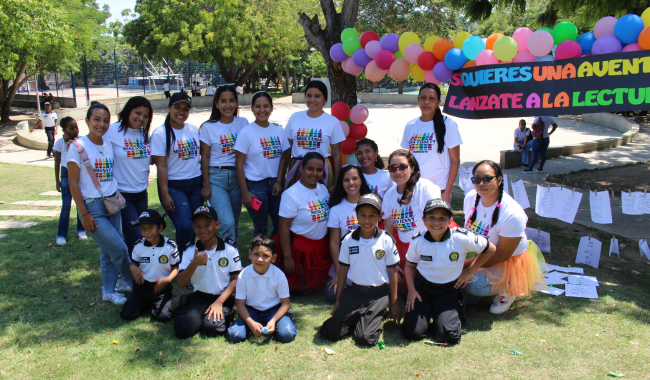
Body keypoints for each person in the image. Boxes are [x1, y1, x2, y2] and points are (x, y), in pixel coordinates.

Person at [401, 198, 496, 344]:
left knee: (448, 336)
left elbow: (490, 249)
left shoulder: (461, 238)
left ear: (450, 220)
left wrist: (469, 271)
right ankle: (430, 314)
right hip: (422, 289)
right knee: (412, 332)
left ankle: (448, 313)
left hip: (447, 290)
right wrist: (412, 290)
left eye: (442, 218)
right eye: (431, 217)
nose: (436, 222)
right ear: (424, 220)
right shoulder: (418, 241)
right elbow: (409, 265)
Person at [67, 103, 134, 305]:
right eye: (96, 119)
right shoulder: (77, 147)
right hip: (92, 207)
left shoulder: (108, 144)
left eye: (106, 120)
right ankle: (135, 282)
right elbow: (72, 183)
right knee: (119, 248)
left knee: (107, 250)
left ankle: (109, 290)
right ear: (87, 121)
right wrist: (84, 214)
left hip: (112, 203)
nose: (101, 124)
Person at [462, 160, 547, 314]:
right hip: (479, 252)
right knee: (461, 288)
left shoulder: (513, 214)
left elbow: (501, 255)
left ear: (500, 180)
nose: (481, 183)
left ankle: (510, 287)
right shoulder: (471, 197)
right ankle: (481, 286)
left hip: (506, 261)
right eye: (476, 179)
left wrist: (465, 266)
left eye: (487, 179)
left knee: (472, 285)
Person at [320, 193, 401, 346]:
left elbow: (392, 272)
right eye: (362, 215)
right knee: (330, 331)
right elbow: (343, 270)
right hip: (355, 292)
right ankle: (358, 316)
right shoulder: (349, 240)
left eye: (372, 216)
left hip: (378, 294)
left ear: (380, 216)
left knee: (365, 338)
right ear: (356, 214)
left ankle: (377, 313)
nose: (367, 220)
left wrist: (394, 303)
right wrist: (338, 301)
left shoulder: (386, 240)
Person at [174, 206, 241, 338]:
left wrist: (219, 302)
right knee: (183, 331)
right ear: (194, 228)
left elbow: (236, 280)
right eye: (198, 226)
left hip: (222, 296)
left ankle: (226, 311)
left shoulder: (229, 250)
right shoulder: (190, 251)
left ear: (217, 225)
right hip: (199, 296)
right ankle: (186, 304)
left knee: (213, 329)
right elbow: (180, 283)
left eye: (207, 225)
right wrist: (194, 263)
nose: (203, 229)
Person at [151, 92, 203, 253]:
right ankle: (182, 264)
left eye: (186, 108)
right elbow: (161, 167)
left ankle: (190, 259)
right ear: (169, 108)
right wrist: (165, 194)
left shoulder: (193, 129)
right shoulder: (160, 133)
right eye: (177, 107)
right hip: (175, 186)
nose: (181, 111)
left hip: (196, 184)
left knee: (197, 226)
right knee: (185, 226)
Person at [381, 149, 441, 288]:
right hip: (404, 248)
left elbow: (437, 225)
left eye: (403, 167)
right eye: (392, 168)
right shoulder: (389, 195)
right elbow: (388, 231)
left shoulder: (424, 187)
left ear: (412, 168)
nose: (397, 172)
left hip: (430, 244)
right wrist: (391, 259)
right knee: (404, 290)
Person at [235, 91, 290, 238]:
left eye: (266, 106)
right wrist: (245, 192)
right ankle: (259, 259)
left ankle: (271, 253)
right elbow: (239, 164)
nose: (262, 110)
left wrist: (280, 181)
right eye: (258, 106)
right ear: (252, 109)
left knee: (281, 223)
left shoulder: (279, 131)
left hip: (275, 184)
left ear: (271, 108)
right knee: (261, 227)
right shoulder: (246, 133)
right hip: (255, 185)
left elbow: (284, 158)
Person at [276, 152, 331, 294]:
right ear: (302, 168)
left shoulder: (323, 188)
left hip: (321, 245)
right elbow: (283, 227)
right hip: (301, 249)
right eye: (310, 169)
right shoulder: (291, 194)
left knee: (319, 286)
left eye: (319, 170)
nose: (314, 173)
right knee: (299, 289)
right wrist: (288, 257)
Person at [105, 96, 154, 255]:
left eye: (145, 116)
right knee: (135, 235)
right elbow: (93, 143)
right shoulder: (112, 131)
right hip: (123, 194)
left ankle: (135, 271)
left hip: (142, 193)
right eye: (137, 113)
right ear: (128, 111)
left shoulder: (144, 134)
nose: (141, 118)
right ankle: (130, 275)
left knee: (141, 235)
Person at [200, 84, 248, 242]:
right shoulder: (208, 127)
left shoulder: (243, 122)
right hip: (216, 178)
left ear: (236, 102)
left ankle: (230, 258)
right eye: (223, 101)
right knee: (227, 222)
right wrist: (206, 184)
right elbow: (205, 157)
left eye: (232, 101)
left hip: (237, 177)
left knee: (233, 223)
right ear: (216, 104)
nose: (228, 105)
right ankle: (229, 261)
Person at [227, 235, 297, 344]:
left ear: (273, 258)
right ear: (250, 254)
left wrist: (273, 321)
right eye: (256, 254)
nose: (260, 259)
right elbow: (240, 305)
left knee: (287, 334)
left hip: (273, 310)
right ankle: (254, 327)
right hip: (251, 311)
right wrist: (251, 323)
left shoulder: (279, 275)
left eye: (265, 256)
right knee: (234, 335)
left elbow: (286, 304)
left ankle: (276, 323)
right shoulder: (243, 275)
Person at [401, 83, 462, 203]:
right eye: (423, 97)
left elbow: (455, 161)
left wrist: (448, 192)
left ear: (438, 102)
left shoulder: (448, 124)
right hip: (416, 187)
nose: (426, 102)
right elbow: (408, 159)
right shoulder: (410, 126)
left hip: (440, 188)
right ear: (418, 100)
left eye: (431, 98)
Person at [284, 81, 345, 191]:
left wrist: (337, 182)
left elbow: (336, 154)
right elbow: (287, 150)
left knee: (319, 204)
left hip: (322, 170)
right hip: (298, 168)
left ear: (325, 99)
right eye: (309, 96)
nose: (312, 100)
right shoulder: (295, 117)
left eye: (317, 96)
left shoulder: (333, 122)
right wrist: (281, 177)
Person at [120, 210, 179, 322]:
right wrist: (133, 268)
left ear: (160, 227)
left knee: (163, 317)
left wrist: (167, 279)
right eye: (143, 228)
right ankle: (144, 302)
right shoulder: (138, 246)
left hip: (161, 288)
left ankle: (158, 303)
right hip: (142, 286)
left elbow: (175, 268)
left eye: (150, 227)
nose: (147, 232)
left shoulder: (170, 247)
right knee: (127, 315)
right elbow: (133, 262)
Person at [325, 165, 372, 303]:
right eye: (346, 180)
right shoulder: (336, 209)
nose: (351, 183)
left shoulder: (373, 203)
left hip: (369, 259)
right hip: (346, 260)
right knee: (331, 295)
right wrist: (339, 273)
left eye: (355, 178)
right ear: (341, 184)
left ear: (361, 181)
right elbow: (334, 242)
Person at [53, 116, 86, 245]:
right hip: (66, 173)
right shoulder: (60, 143)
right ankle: (61, 235)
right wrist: (57, 180)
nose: (75, 130)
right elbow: (57, 161)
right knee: (66, 206)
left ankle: (81, 230)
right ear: (64, 130)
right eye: (71, 128)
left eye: (76, 127)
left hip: (79, 173)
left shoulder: (82, 140)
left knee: (80, 204)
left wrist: (72, 144)